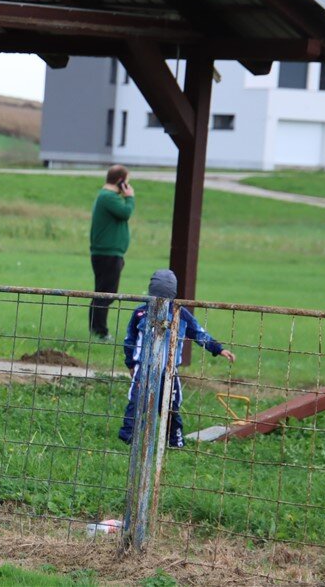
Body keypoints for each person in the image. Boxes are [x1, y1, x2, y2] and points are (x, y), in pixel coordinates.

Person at [117, 269, 236, 448]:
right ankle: (128, 437)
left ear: (172, 297)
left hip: (169, 371)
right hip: (144, 368)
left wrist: (218, 348)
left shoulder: (182, 315)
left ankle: (175, 441)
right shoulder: (140, 313)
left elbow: (198, 333)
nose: (159, 303)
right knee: (136, 401)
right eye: (156, 299)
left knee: (171, 406)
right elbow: (130, 340)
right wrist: (131, 363)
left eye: (163, 300)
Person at [89, 165, 135, 342]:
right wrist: (130, 197)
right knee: (105, 294)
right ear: (120, 181)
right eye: (127, 181)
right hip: (108, 254)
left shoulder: (107, 197)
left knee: (103, 292)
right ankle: (100, 331)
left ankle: (97, 329)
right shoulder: (108, 197)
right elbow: (126, 213)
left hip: (108, 253)